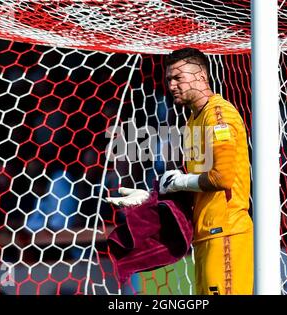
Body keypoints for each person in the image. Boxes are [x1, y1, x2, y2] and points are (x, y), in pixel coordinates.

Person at [106, 48, 253, 295]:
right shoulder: (194, 120)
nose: (172, 85)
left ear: (201, 76)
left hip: (227, 233)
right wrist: (151, 199)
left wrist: (177, 182)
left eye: (178, 77)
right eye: (168, 80)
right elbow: (195, 185)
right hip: (206, 235)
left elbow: (222, 177)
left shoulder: (219, 115)